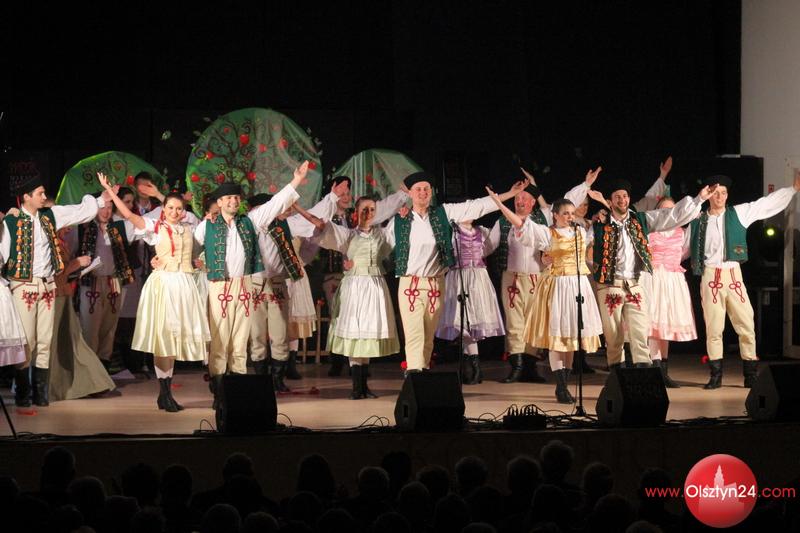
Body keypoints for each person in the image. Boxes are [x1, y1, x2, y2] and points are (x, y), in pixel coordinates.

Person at [385, 171, 527, 374]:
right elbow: (381, 242)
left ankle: (421, 374)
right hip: (411, 285)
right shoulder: (399, 221)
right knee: (414, 334)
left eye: (426, 189)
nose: (423, 193)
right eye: (418, 189)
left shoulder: (443, 213)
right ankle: (414, 375)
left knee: (428, 337)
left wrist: (510, 194)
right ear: (410, 193)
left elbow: (477, 206)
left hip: (435, 284)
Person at [194, 163, 308, 406]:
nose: (233, 201)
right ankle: (218, 392)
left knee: (239, 341)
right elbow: (191, 249)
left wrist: (296, 181)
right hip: (220, 286)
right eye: (228, 197)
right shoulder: (206, 226)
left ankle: (235, 393)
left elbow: (274, 204)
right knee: (220, 340)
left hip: (244, 285)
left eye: (236, 197)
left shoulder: (250, 221)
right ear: (220, 202)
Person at [99, 172, 209, 412]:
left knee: (175, 341)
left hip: (185, 285)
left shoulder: (189, 227)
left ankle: (166, 393)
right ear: (164, 210)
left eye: (179, 208)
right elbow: (129, 215)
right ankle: (164, 392)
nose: (175, 212)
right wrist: (110, 193)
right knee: (164, 340)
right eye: (170, 208)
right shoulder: (156, 227)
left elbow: (199, 241)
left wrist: (198, 262)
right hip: (164, 285)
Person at [1, 175, 111, 406]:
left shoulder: (50, 216)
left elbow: (77, 212)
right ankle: (23, 394)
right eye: (39, 193)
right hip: (24, 286)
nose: (44, 196)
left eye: (44, 192)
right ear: (26, 197)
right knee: (27, 341)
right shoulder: (11, 222)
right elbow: (3, 254)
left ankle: (41, 395)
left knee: (45, 340)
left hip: (49, 285)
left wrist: (101, 200)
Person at [487, 167, 599, 383]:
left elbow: (567, 202)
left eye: (524, 198)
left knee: (535, 322)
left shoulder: (543, 218)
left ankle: (530, 367)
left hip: (538, 277)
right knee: (514, 323)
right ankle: (517, 366)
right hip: (512, 277)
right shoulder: (503, 221)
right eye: (517, 198)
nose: (520, 201)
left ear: (532, 202)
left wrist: (586, 185)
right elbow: (488, 246)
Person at [690, 171, 800, 389]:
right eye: (716, 193)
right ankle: (715, 376)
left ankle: (750, 374)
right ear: (709, 195)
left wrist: (793, 190)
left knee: (746, 324)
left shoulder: (738, 213)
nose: (720, 197)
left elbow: (764, 204)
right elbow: (682, 247)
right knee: (713, 328)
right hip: (710, 275)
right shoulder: (698, 221)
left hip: (733, 274)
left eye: (723, 193)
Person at [592, 177, 714, 371]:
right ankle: (617, 377)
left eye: (625, 196)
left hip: (634, 284)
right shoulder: (599, 225)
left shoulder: (641, 220)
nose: (622, 200)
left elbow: (670, 216)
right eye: (617, 197)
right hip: (610, 285)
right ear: (610, 201)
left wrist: (699, 199)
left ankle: (643, 377)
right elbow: (579, 243)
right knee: (614, 336)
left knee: (640, 331)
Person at [314, 176, 410, 377]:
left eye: (372, 210)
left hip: (372, 283)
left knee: (367, 327)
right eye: (364, 209)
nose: (369, 213)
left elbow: (389, 225)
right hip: (348, 281)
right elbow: (323, 230)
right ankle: (345, 369)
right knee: (349, 324)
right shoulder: (343, 227)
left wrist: (403, 203)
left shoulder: (376, 232)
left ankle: (362, 378)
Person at [49, 225, 115, 401]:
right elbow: (57, 272)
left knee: (73, 341)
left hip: (64, 294)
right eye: (66, 226)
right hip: (55, 297)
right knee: (63, 342)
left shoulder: (60, 242)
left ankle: (91, 383)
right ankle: (58, 386)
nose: (69, 229)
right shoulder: (51, 243)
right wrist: (77, 263)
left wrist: (77, 269)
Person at [434, 219, 504, 384]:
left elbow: (490, 246)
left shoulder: (482, 231)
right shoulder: (452, 230)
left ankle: (472, 369)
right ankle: (474, 369)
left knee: (471, 324)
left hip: (477, 278)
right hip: (458, 277)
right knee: (462, 324)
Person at [75, 194, 139, 371]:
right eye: (102, 207)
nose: (106, 211)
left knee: (110, 327)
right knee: (90, 327)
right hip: (91, 282)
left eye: (110, 207)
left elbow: (144, 225)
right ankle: (90, 371)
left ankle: (104, 367)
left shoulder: (120, 226)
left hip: (113, 281)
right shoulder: (83, 228)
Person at [638, 196, 697, 388]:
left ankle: (663, 370)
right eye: (663, 210)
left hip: (672, 280)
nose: (667, 213)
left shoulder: (682, 232)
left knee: (666, 327)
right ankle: (655, 368)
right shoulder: (650, 231)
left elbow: (684, 253)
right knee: (653, 326)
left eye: (671, 210)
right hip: (653, 279)